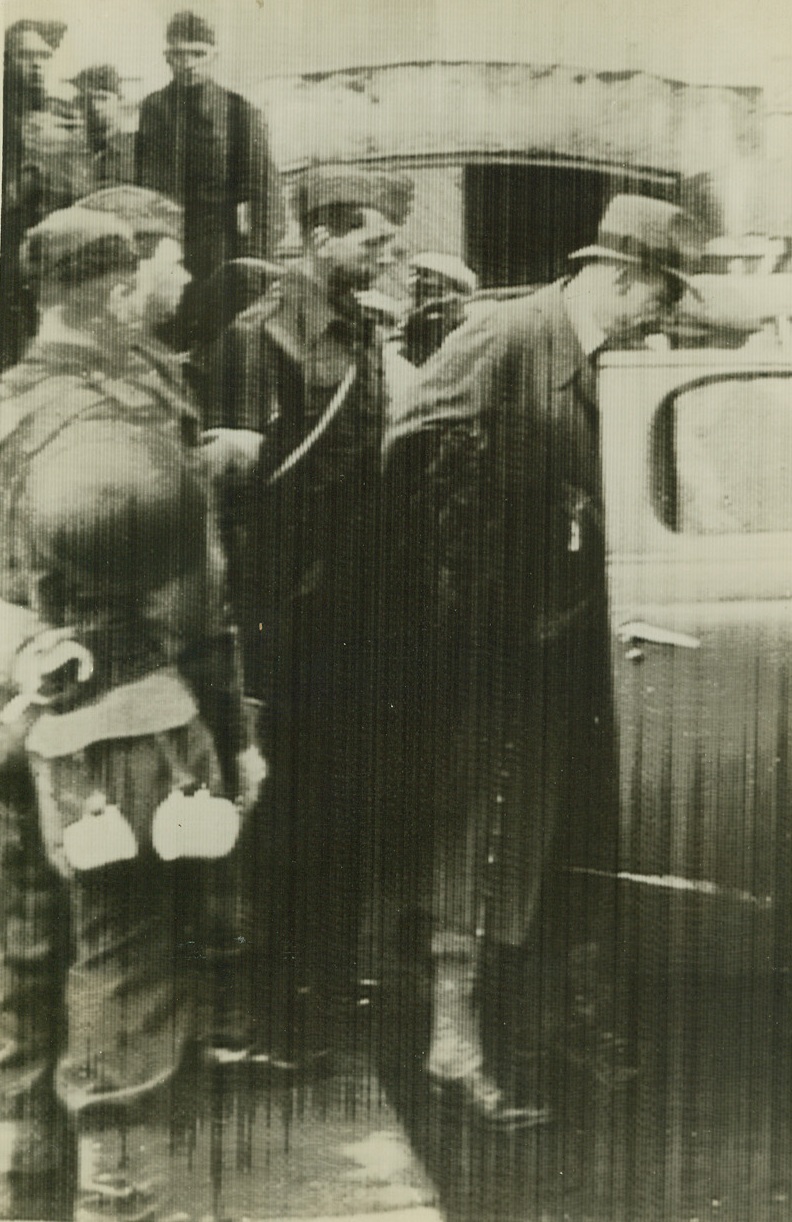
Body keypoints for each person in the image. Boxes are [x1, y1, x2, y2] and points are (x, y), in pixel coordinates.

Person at [382, 195, 702, 1128]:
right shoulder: (507, 335)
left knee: (560, 839)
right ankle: (453, 1045)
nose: (664, 314)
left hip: (571, 641)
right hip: (494, 644)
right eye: (660, 295)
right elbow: (409, 447)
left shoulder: (605, 355)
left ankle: (550, 1025)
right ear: (617, 278)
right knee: (485, 841)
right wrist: (475, 557)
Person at [0, 188, 264, 1221]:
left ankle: (22, 1187)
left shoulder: (10, 397)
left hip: (22, 715)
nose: (178, 282)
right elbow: (197, 608)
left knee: (21, 958)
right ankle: (122, 1201)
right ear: (114, 289)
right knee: (131, 962)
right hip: (121, 725)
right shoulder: (126, 414)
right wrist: (233, 740)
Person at [203, 165, 413, 1069]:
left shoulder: (359, 330)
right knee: (286, 819)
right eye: (371, 240)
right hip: (285, 623)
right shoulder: (259, 343)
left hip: (355, 617)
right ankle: (271, 1019)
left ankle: (320, 989)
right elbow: (235, 495)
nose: (385, 254)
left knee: (341, 809)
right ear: (321, 239)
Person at [135, 9, 285, 344]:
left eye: (197, 54)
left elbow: (267, 195)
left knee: (221, 344)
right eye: (178, 55)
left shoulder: (239, 112)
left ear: (214, 55)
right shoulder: (152, 110)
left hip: (222, 248)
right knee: (166, 340)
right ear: (166, 57)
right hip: (166, 248)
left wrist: (255, 263)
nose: (188, 64)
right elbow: (142, 186)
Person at [0, 21, 92, 371]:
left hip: (51, 261)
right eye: (26, 55)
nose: (37, 64)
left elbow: (81, 194)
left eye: (43, 56)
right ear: (7, 60)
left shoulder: (64, 119)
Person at [401, 251, 478, 365]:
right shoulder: (407, 323)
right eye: (418, 292)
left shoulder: (471, 324)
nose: (426, 301)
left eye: (433, 290)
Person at [70, 65, 136, 189]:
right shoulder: (72, 151)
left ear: (120, 102)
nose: (94, 106)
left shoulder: (135, 150)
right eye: (85, 100)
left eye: (102, 98)